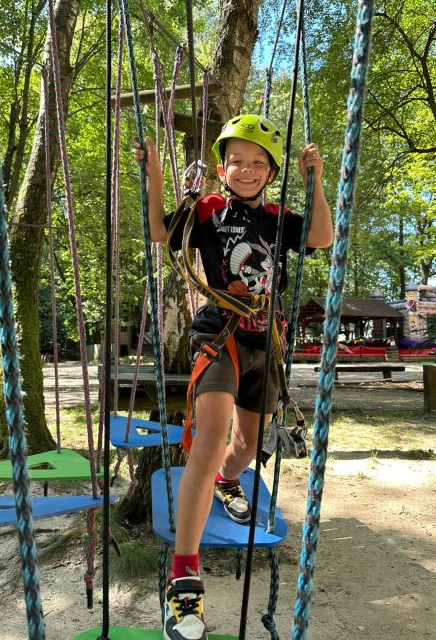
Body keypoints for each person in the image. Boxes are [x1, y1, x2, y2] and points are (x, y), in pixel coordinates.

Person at [134, 113, 333, 640]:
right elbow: (159, 231)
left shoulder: (278, 217)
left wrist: (314, 180)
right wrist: (156, 177)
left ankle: (227, 479)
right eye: (237, 161)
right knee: (210, 438)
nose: (246, 169)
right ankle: (184, 581)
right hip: (218, 332)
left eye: (258, 163)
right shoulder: (206, 211)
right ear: (222, 169)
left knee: (246, 447)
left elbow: (322, 236)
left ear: (270, 172)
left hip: (266, 341)